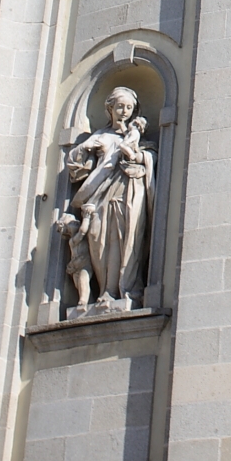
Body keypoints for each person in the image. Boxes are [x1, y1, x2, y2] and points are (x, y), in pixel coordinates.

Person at [60, 87, 155, 312]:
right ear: (110, 108)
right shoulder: (101, 136)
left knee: (124, 239)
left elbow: (150, 157)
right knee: (97, 238)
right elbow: (76, 169)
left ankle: (120, 291)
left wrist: (138, 157)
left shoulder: (137, 137)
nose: (124, 112)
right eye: (120, 107)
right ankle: (103, 289)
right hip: (99, 196)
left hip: (129, 194)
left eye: (129, 108)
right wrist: (85, 147)